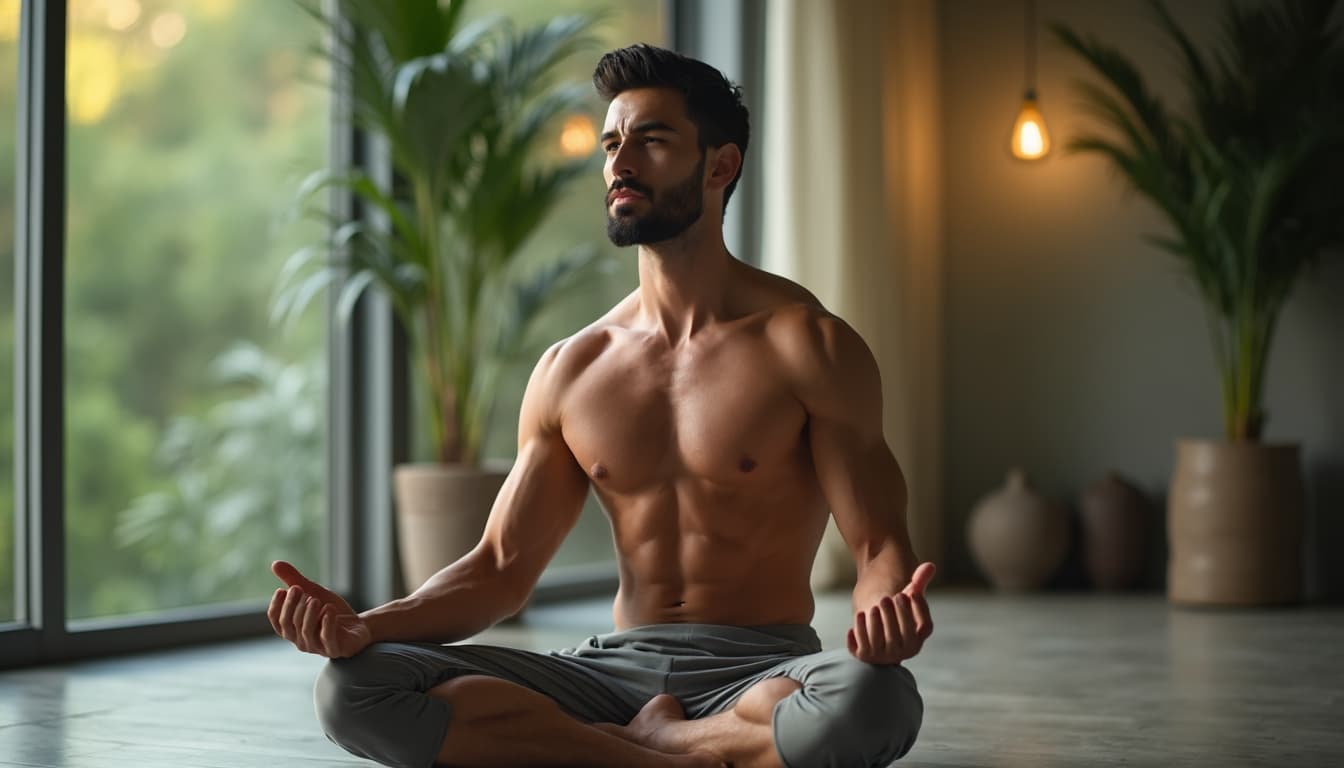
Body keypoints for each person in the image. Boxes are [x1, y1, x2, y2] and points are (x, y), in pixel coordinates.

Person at [268, 43, 934, 768]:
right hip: (607, 674)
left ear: (720, 166)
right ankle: (671, 754)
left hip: (759, 666)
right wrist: (366, 626)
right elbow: (499, 568)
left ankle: (618, 751)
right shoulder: (573, 368)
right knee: (354, 689)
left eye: (651, 141)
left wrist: (883, 612)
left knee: (877, 700)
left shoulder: (807, 345)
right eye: (613, 143)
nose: (620, 163)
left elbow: (875, 544)